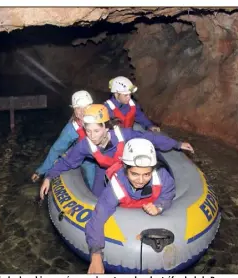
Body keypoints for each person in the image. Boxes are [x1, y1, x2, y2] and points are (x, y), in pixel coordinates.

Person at [39, 104, 193, 199]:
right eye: (88, 131)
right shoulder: (85, 145)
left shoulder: (123, 135)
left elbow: (150, 138)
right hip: (103, 170)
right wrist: (49, 176)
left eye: (96, 131)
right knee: (96, 197)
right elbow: (67, 162)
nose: (91, 136)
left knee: (140, 191)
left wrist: (177, 144)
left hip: (126, 168)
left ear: (106, 127)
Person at [85, 138, 176, 274]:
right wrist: (96, 255)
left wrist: (160, 206)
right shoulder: (116, 186)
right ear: (125, 169)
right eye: (134, 174)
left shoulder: (162, 175)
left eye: (146, 174)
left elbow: (168, 193)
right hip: (124, 206)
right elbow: (97, 218)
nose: (140, 180)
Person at [31, 90, 96, 188]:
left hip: (101, 156)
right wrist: (40, 171)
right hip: (87, 160)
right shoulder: (71, 130)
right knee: (91, 178)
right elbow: (56, 150)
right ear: (74, 110)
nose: (83, 112)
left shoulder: (103, 120)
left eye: (86, 107)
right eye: (79, 108)